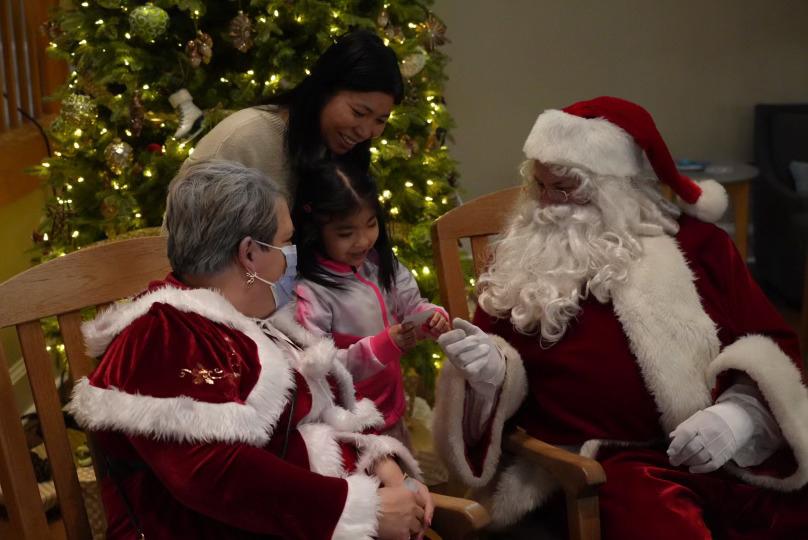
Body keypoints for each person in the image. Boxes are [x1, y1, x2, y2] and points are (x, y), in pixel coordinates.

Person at [432, 97, 808, 539]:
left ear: (617, 188)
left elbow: (773, 345)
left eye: (566, 188)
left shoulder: (702, 247)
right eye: (540, 187)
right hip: (594, 467)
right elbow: (494, 381)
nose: (549, 203)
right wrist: (489, 376)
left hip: (721, 454)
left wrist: (740, 418)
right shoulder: (520, 261)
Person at [68, 160, 434, 540]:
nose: (294, 254)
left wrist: (383, 468)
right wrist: (360, 508)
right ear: (249, 254)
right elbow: (211, 472)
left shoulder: (259, 320)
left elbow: (315, 421)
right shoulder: (162, 334)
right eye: (286, 241)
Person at [291, 160, 451, 448]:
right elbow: (320, 368)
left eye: (371, 224)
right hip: (347, 424)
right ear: (315, 230)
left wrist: (430, 318)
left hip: (391, 409)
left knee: (405, 473)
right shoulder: (310, 292)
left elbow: (411, 305)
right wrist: (382, 345)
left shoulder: (380, 264)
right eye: (345, 233)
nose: (363, 241)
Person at [184, 29, 403, 201]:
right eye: (358, 112)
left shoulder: (340, 151)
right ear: (324, 89)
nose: (365, 132)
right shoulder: (246, 138)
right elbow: (182, 242)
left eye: (380, 120)